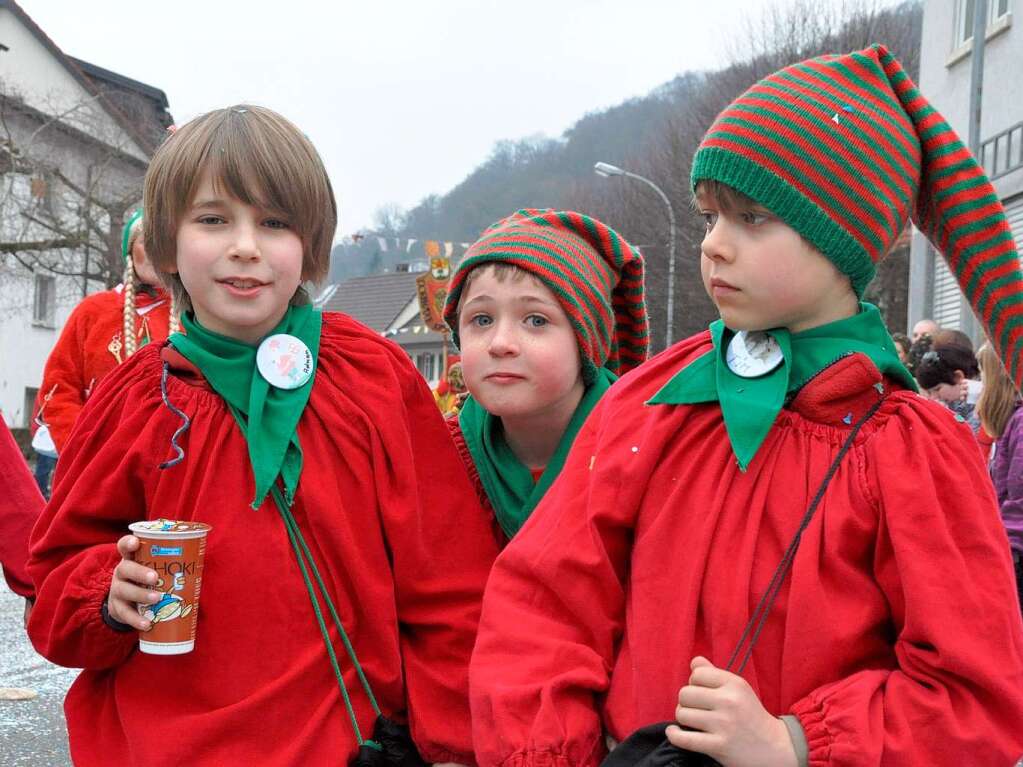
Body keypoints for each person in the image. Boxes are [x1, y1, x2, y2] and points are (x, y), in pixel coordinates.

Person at [469, 44, 1023, 767]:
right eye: (708, 218)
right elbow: (542, 601)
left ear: (846, 234)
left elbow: (974, 698)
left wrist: (795, 741)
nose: (714, 247)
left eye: (751, 217)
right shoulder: (655, 401)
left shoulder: (908, 449)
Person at [27, 105, 497, 766]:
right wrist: (107, 592)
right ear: (165, 244)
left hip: (350, 746)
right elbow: (50, 601)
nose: (245, 245)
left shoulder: (374, 378)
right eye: (213, 219)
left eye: (274, 222)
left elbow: (449, 586)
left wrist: (455, 745)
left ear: (308, 244)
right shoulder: (132, 402)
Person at [441, 209, 647, 543]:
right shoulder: (438, 457)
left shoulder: (645, 458)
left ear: (587, 343)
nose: (500, 343)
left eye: (536, 320)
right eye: (481, 320)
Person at [33, 209, 178, 457]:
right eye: (147, 241)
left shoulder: (195, 315)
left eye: (165, 242)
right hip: (93, 462)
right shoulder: (93, 311)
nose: (156, 251)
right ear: (131, 251)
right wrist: (83, 449)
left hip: (170, 464)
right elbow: (59, 387)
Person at [978, 343, 1023, 613]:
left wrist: (1004, 548)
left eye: (983, 376)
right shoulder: (1012, 422)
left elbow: (1018, 500)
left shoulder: (1020, 422)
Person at [914, 342, 982, 429]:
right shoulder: (953, 403)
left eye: (937, 389)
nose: (933, 398)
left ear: (958, 377)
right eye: (929, 393)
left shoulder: (981, 402)